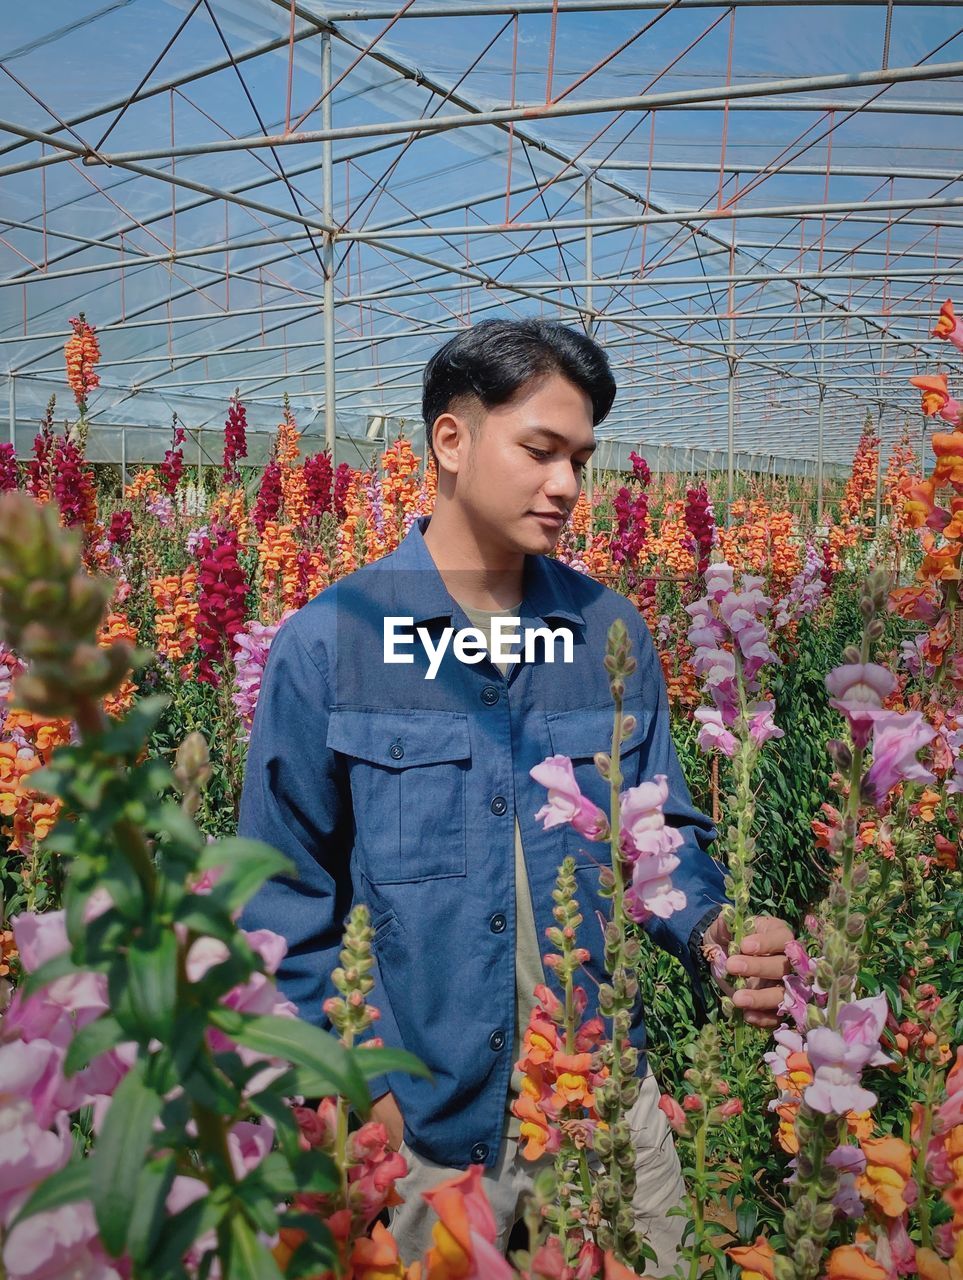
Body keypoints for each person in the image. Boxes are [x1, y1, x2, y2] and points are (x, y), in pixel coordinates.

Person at [238, 318, 793, 1270]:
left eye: (580, 458)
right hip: (425, 1141)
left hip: (604, 1111)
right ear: (450, 441)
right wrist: (359, 1087)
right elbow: (278, 905)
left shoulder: (603, 632)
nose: (568, 485)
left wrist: (712, 932)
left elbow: (653, 838)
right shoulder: (331, 645)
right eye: (539, 450)